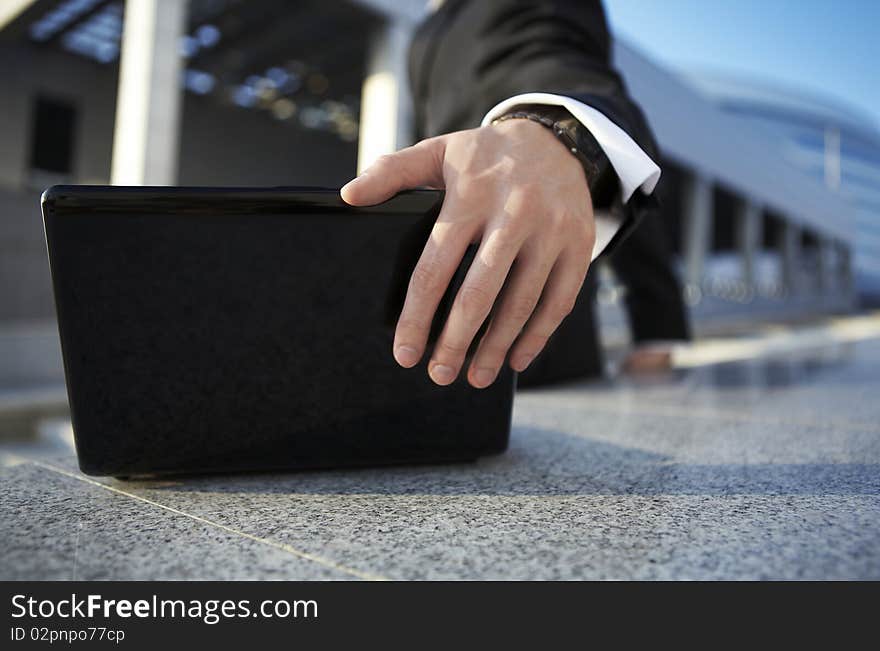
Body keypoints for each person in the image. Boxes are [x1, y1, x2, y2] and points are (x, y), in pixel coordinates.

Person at [341, 0, 687, 388]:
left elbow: (596, 108)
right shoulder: (426, 29)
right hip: (434, 326)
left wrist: (555, 132)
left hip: (536, 342)